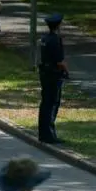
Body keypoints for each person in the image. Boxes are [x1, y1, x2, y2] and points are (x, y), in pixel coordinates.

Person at [38, 13, 69, 145]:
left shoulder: (45, 39)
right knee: (52, 104)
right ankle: (50, 135)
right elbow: (59, 61)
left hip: (44, 73)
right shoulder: (56, 40)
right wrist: (67, 71)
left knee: (45, 103)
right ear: (58, 25)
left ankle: (42, 133)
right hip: (54, 74)